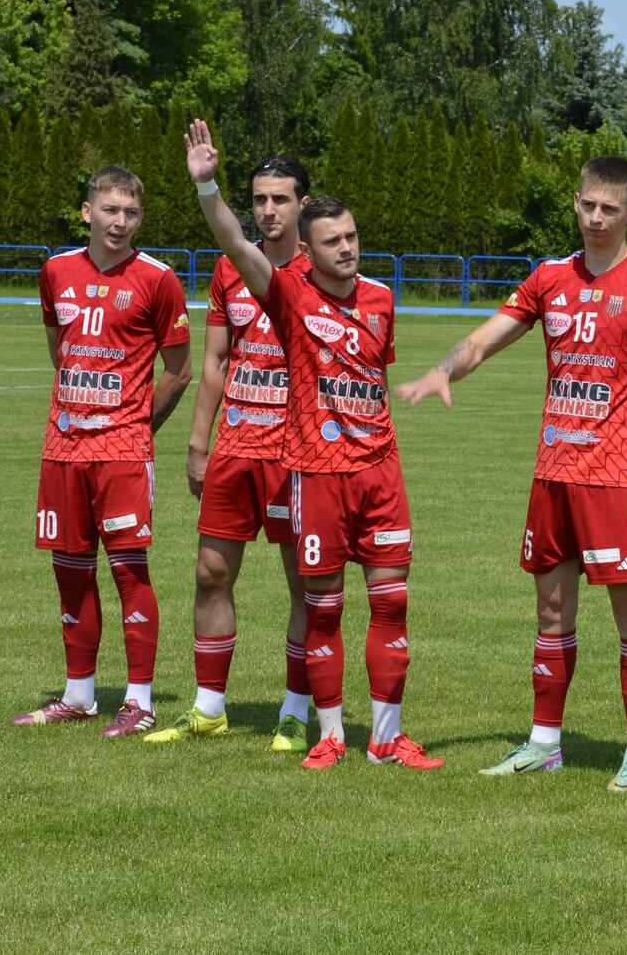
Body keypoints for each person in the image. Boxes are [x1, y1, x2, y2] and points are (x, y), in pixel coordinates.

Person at [395, 156, 627, 791]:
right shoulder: (549, 277)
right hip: (553, 474)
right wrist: (443, 371)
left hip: (614, 481)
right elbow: (484, 339)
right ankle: (544, 743)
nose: (597, 218)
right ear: (576, 203)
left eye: (610, 209)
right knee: (551, 610)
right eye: (589, 205)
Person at [184, 118, 442, 770]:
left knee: (390, 603)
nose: (346, 248)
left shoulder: (382, 299)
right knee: (320, 605)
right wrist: (208, 186)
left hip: (379, 472)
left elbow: (369, 380)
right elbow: (235, 245)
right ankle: (326, 734)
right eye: (334, 240)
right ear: (311, 246)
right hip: (314, 472)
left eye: (351, 237)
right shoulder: (288, 294)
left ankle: (385, 738)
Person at [13, 166, 193, 736]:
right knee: (69, 572)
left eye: (131, 212)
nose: (120, 222)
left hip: (122, 452)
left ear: (141, 218)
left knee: (129, 572)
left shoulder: (158, 280)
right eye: (110, 210)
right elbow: (59, 350)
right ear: (88, 212)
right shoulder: (55, 271)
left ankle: (139, 702)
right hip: (62, 447)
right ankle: (79, 695)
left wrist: (136, 426)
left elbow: (179, 370)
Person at [145, 158, 315, 751]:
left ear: (303, 204)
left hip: (296, 453)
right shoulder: (228, 268)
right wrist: (199, 442)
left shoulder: (321, 270)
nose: (268, 210)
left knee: (304, 583)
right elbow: (216, 360)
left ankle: (294, 712)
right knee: (210, 573)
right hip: (236, 447)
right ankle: (209, 708)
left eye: (280, 199)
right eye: (260, 199)